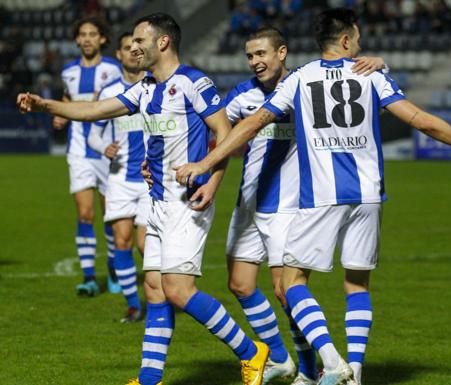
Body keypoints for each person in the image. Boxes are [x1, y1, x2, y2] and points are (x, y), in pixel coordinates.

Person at [175, 8, 451, 385]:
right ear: (347, 40)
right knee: (357, 285)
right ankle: (356, 374)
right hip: (368, 195)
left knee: (293, 284)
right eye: (359, 38)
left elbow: (254, 122)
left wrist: (207, 160)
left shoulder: (301, 78)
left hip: (321, 196)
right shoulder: (371, 75)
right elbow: (421, 120)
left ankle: (331, 364)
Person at [18, 13, 269, 385]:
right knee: (153, 288)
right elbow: (93, 110)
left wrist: (212, 176)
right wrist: (46, 106)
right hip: (156, 200)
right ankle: (149, 378)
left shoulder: (193, 83)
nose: (133, 46)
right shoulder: (145, 88)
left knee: (178, 290)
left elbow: (225, 132)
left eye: (139, 40)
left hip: (188, 200)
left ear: (162, 42)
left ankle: (252, 352)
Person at [219, 27, 387, 385]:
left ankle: (311, 372)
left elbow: (345, 78)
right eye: (250, 56)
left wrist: (380, 63)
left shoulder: (305, 85)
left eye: (261, 54)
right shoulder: (241, 95)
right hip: (249, 203)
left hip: (289, 205)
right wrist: (204, 165)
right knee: (240, 284)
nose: (255, 62)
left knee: (285, 291)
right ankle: (280, 359)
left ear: (282, 52)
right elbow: (216, 128)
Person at [57, 16, 122, 296]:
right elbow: (67, 102)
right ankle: (88, 278)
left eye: (92, 34)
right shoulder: (67, 72)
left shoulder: (114, 69)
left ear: (102, 39)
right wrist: (60, 115)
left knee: (110, 215)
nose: (86, 38)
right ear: (76, 39)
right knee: (85, 214)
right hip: (78, 152)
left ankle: (114, 272)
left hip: (108, 150)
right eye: (82, 34)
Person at [87, 32, 148, 323]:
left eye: (138, 47)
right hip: (121, 178)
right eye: (127, 48)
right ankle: (134, 305)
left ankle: (160, 300)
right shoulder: (111, 91)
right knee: (122, 242)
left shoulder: (157, 87)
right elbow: (93, 137)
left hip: (152, 180)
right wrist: (105, 148)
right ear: (119, 55)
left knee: (146, 245)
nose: (134, 52)